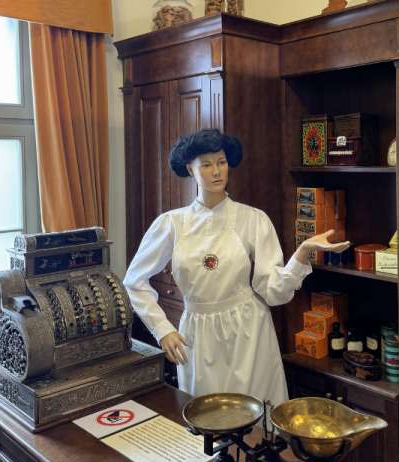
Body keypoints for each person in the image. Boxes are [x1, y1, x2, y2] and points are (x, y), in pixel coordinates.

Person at [122, 129, 349, 405]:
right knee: (206, 413)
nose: (217, 171)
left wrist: (301, 255)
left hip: (249, 333)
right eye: (206, 164)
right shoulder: (171, 224)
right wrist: (162, 329)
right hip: (197, 333)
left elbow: (274, 291)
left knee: (256, 413)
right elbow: (134, 281)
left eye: (221, 162)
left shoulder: (253, 219)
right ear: (190, 169)